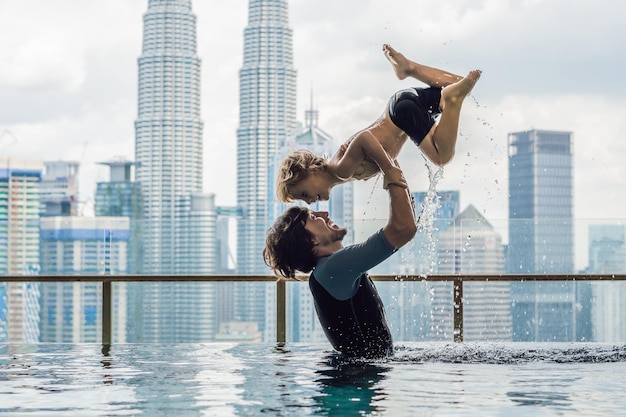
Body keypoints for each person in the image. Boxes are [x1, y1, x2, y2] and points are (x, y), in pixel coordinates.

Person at [276, 44, 481, 204]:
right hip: (401, 103)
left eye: (304, 194)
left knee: (442, 157)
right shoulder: (340, 168)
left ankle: (451, 101)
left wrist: (389, 170)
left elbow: (364, 139)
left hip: (402, 114)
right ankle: (409, 68)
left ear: (311, 171)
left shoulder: (340, 170)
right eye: (304, 200)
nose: (309, 201)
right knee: (461, 86)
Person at [264, 159, 417, 358]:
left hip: (355, 379)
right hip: (357, 382)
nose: (324, 213)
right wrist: (389, 167)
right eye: (313, 217)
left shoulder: (328, 270)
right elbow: (403, 229)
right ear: (309, 240)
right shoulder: (332, 269)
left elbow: (404, 227)